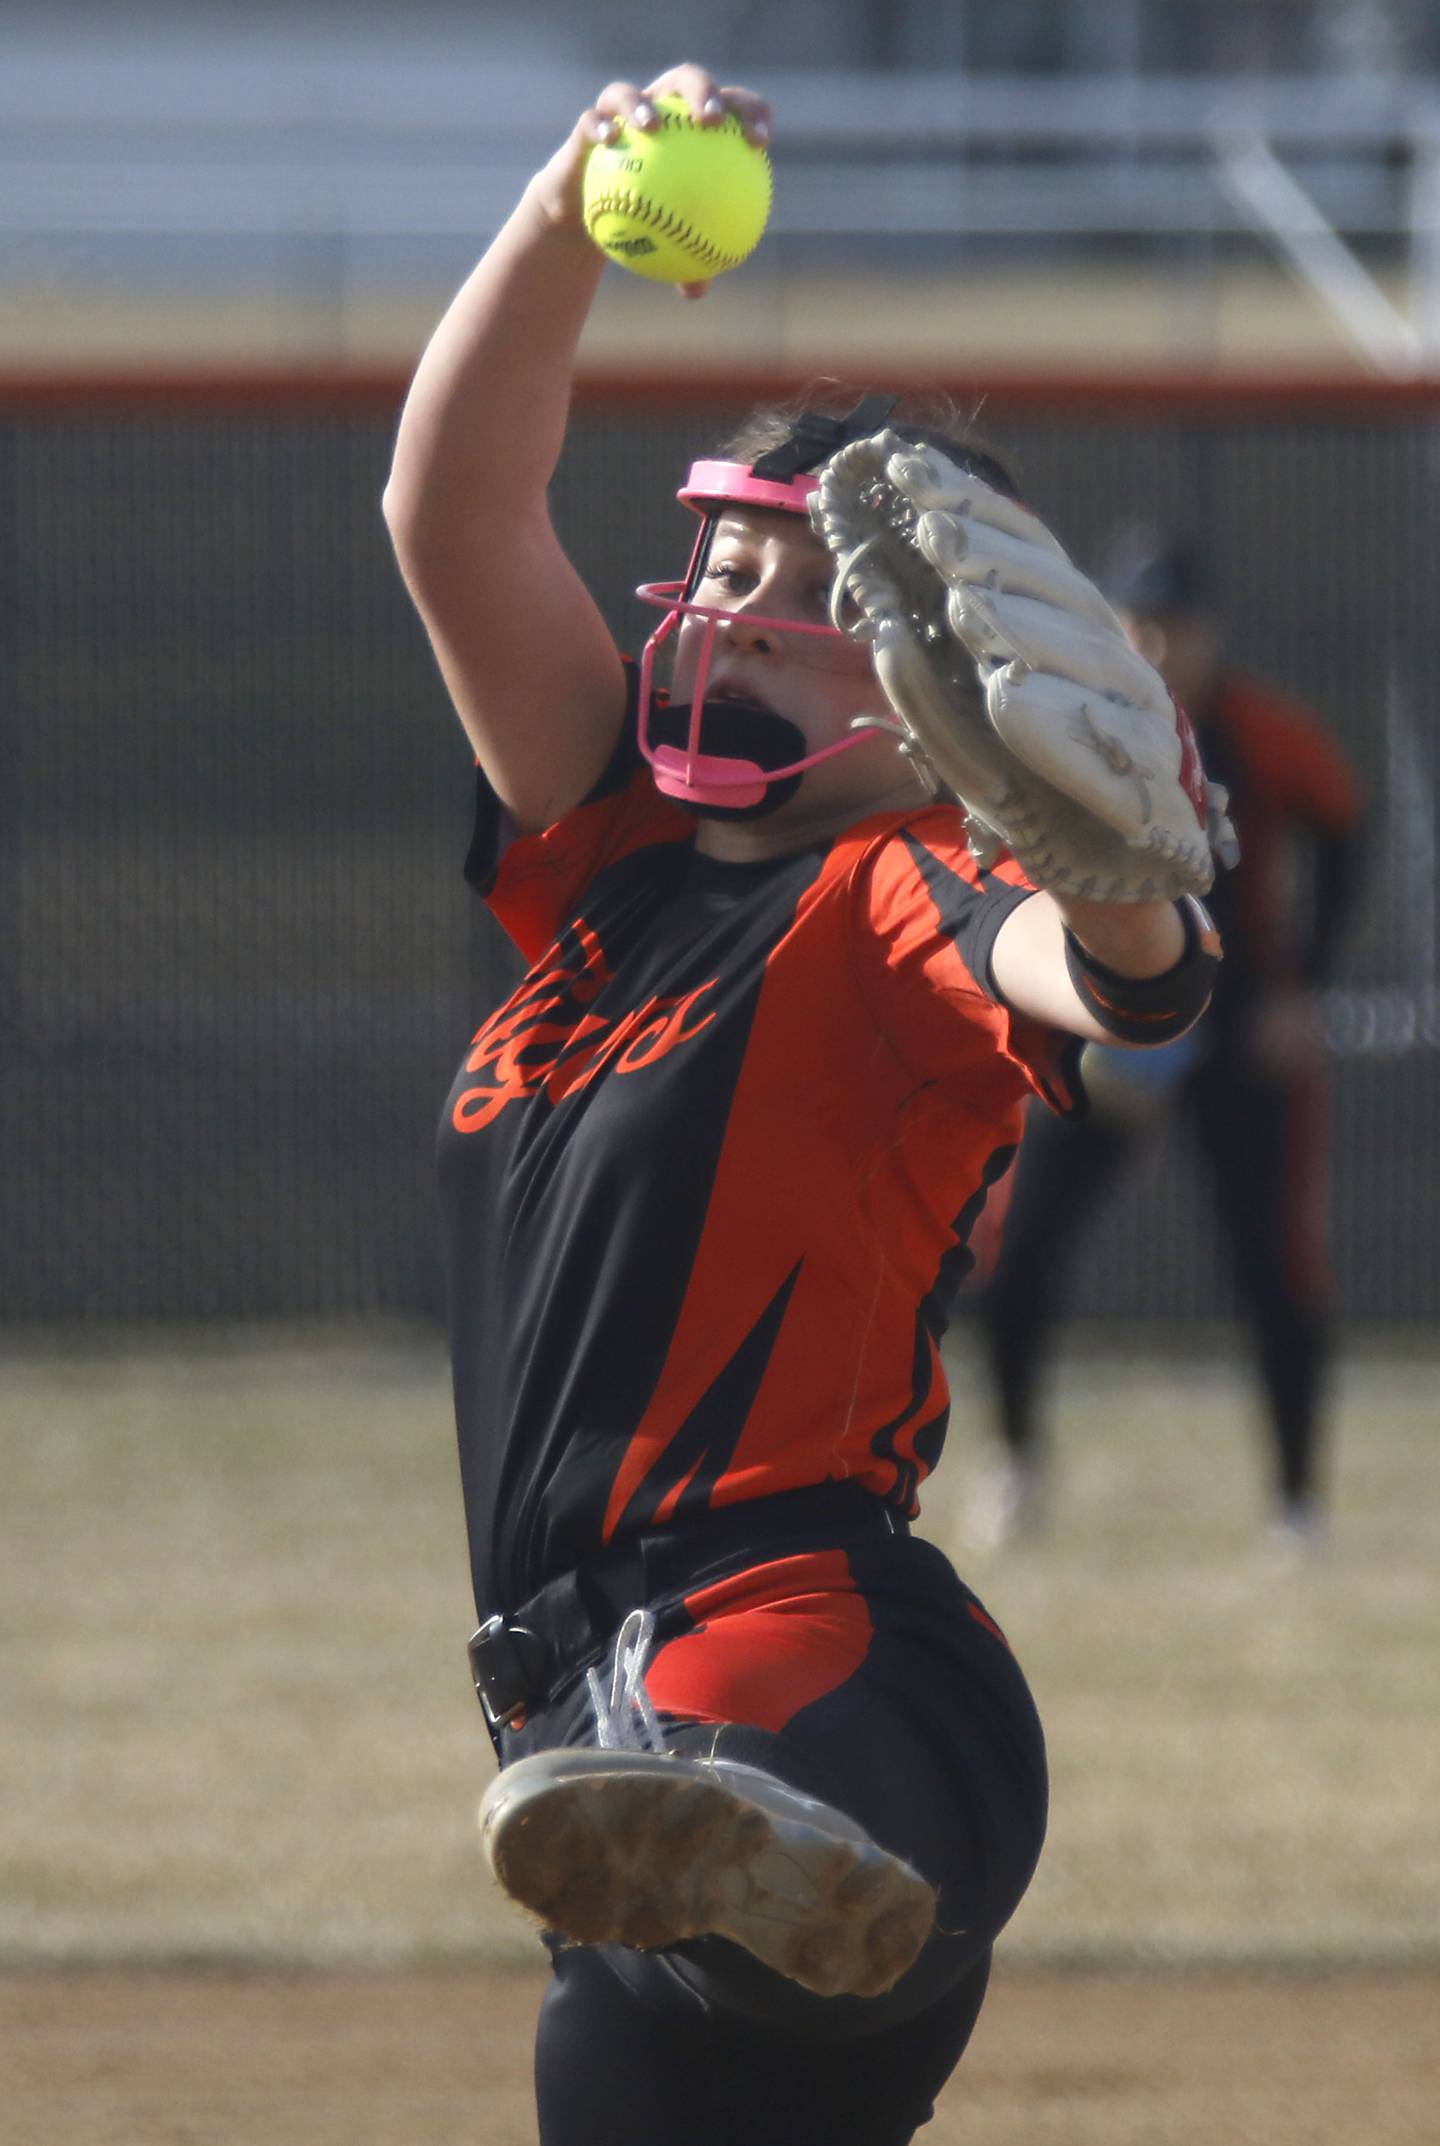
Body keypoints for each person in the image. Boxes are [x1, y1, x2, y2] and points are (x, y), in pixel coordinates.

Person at [382, 65, 1222, 2146]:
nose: (726, 605)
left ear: (935, 670)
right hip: (579, 1719)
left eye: (792, 585)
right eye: (722, 563)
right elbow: (449, 514)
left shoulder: (906, 889)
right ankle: (715, 1870)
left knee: (714, 1773)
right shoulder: (607, 862)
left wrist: (1124, 882)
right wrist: (572, 205)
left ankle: (777, 1859)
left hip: (817, 1650)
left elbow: (1102, 980)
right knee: (638, 1965)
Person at [973, 530, 1364, 1553]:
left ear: (1209, 631)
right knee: (1014, 1253)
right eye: (1136, 621)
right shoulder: (1071, 728)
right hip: (1102, 1022)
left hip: (1236, 1028)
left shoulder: (1257, 732)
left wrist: (1303, 987)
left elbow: (1342, 825)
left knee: (1273, 1268)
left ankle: (1298, 1506)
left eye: (1174, 623)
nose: (1154, 643)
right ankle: (1016, 1467)